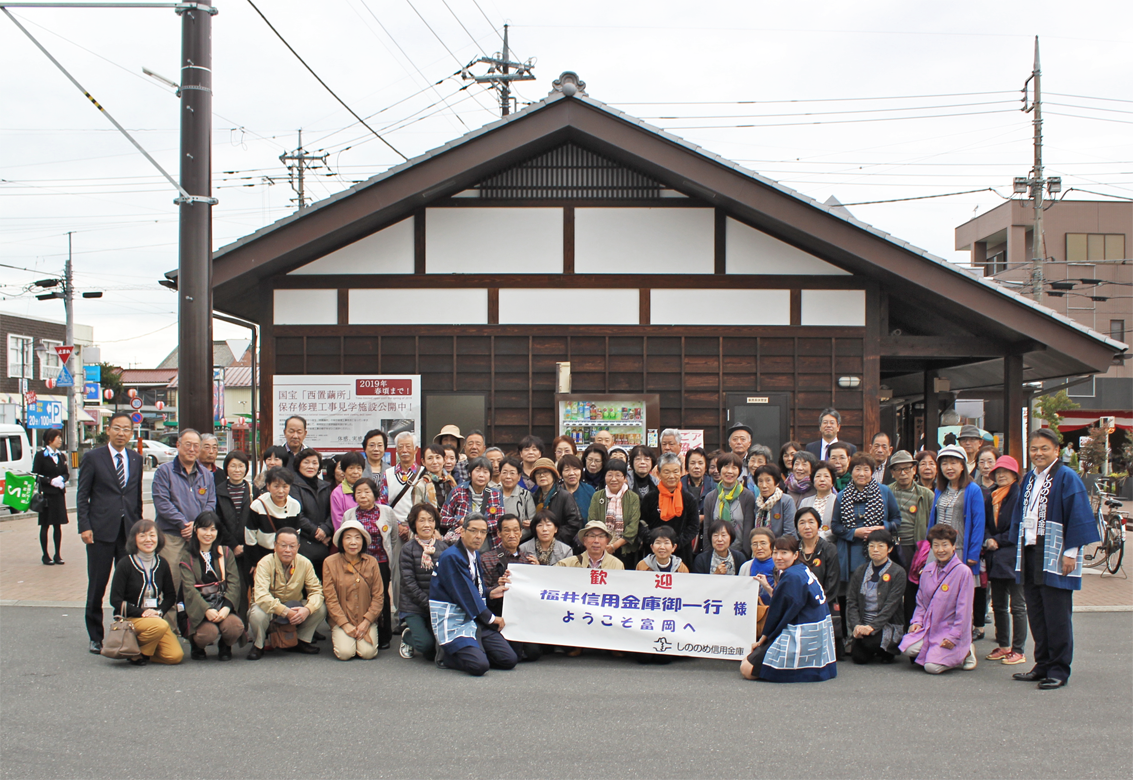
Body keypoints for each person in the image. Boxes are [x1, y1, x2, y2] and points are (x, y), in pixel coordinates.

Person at [1008, 428, 1099, 689]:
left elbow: (1079, 514)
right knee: (1036, 611)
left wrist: (1071, 553)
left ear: (1056, 450)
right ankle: (1042, 664)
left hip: (1056, 552)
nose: (1038, 453)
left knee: (1057, 613)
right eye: (1034, 449)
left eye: (1044, 448)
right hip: (1029, 550)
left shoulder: (1067, 477)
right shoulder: (1028, 479)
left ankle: (1059, 669)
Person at [77, 411, 145, 654]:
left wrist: (139, 529)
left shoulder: (136, 459)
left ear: (131, 432)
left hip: (127, 533)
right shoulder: (93, 458)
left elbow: (135, 497)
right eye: (117, 428)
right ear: (108, 430)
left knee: (128, 584)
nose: (122, 433)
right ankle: (95, 636)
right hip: (100, 532)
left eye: (126, 429)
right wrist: (84, 526)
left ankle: (123, 630)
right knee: (97, 584)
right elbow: (82, 494)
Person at [429, 513, 517, 675]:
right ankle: (446, 656)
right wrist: (491, 619)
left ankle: (475, 649)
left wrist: (490, 593)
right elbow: (465, 595)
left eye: (483, 532)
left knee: (508, 659)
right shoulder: (451, 557)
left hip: (474, 618)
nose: (479, 536)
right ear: (462, 532)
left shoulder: (474, 554)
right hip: (454, 619)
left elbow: (474, 589)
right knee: (479, 666)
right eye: (474, 531)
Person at [740, 536, 837, 682]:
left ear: (795, 554)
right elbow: (787, 601)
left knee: (746, 668)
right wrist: (767, 586)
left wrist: (763, 639)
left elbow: (778, 612)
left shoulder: (791, 576)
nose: (778, 557)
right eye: (775, 552)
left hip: (801, 632)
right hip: (817, 635)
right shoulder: (802, 569)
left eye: (784, 553)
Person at [899, 524, 976, 673]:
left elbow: (964, 611)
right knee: (908, 649)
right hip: (929, 627)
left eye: (945, 545)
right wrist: (917, 621)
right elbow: (921, 602)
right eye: (936, 545)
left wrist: (954, 637)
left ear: (954, 546)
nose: (940, 550)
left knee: (931, 667)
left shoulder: (963, 572)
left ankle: (966, 650)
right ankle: (935, 653)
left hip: (950, 629)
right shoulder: (927, 570)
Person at [108, 519, 184, 666]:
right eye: (142, 536)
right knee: (160, 626)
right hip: (131, 619)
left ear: (159, 538)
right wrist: (142, 613)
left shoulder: (162, 563)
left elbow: (170, 596)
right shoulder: (125, 564)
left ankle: (139, 652)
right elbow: (115, 600)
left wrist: (159, 612)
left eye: (152, 535)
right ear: (134, 539)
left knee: (175, 656)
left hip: (155, 618)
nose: (148, 540)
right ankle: (136, 648)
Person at [152, 428, 216, 600]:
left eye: (196, 445)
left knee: (197, 585)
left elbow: (210, 503)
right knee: (170, 584)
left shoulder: (207, 475)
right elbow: (162, 503)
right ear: (178, 445)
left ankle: (192, 626)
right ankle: (170, 626)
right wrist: (183, 523)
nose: (192, 449)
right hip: (171, 537)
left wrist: (196, 527)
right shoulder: (164, 472)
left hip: (198, 538)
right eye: (188, 444)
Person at [247, 527, 326, 660]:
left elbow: (317, 591)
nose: (287, 550)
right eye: (283, 545)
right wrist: (284, 611)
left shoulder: (305, 563)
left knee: (320, 609)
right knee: (257, 614)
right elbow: (261, 596)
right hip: (270, 608)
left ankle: (301, 640)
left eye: (292, 546)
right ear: (275, 545)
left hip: (294, 605)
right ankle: (259, 645)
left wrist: (307, 609)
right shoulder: (264, 563)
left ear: (298, 547)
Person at [179, 511, 244, 661]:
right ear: (196, 530)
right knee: (208, 633)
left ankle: (225, 645)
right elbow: (189, 589)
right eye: (204, 529)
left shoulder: (226, 552)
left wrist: (227, 607)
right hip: (200, 605)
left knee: (235, 627)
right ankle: (197, 646)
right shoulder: (187, 556)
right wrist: (206, 610)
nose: (208, 534)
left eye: (213, 529)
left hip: (221, 602)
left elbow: (234, 582)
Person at [340, 477, 395, 650]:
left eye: (367, 491)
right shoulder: (349, 514)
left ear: (375, 494)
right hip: (357, 562)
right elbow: (344, 538)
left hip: (380, 562)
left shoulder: (386, 511)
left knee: (381, 597)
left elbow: (392, 539)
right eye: (359, 492)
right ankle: (359, 628)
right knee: (360, 594)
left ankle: (385, 633)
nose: (363, 495)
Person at [983, 455, 1027, 666]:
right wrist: (987, 539)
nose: (1000, 475)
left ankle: (1018, 649)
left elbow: (1020, 528)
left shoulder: (1020, 496)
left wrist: (997, 540)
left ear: (1014, 475)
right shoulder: (991, 495)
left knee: (1017, 605)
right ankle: (1004, 645)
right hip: (995, 557)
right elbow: (983, 522)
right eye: (997, 472)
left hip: (1013, 556)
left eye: (1005, 472)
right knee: (998, 604)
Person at [323, 518, 385, 660]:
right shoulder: (330, 562)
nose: (353, 542)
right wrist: (344, 624)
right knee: (345, 653)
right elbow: (330, 598)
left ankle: (360, 635)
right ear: (341, 541)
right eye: (348, 538)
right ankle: (344, 634)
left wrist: (366, 622)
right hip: (342, 619)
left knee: (368, 653)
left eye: (357, 538)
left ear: (363, 541)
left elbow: (378, 596)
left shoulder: (371, 562)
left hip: (365, 618)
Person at [926, 444, 986, 585]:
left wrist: (973, 553)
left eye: (953, 463)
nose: (949, 468)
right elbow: (932, 520)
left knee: (956, 590)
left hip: (959, 549)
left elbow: (978, 523)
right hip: (937, 548)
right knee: (934, 588)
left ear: (963, 466)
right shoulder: (940, 490)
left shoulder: (973, 490)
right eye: (944, 464)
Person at [886, 450, 934, 624]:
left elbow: (932, 523)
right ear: (892, 472)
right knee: (891, 589)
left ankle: (911, 629)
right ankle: (893, 630)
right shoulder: (885, 492)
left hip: (915, 548)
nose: (903, 473)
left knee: (913, 590)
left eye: (907, 468)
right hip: (890, 547)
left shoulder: (926, 494)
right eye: (898, 469)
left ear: (914, 470)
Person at [846, 529, 907, 665]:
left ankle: (886, 649)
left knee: (869, 643)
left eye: (880, 546)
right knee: (858, 658)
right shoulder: (860, 571)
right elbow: (852, 602)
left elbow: (891, 605)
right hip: (863, 623)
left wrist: (872, 627)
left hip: (886, 624)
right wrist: (857, 625)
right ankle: (875, 647)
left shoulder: (898, 572)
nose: (875, 550)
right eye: (871, 546)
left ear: (889, 548)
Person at [398, 503, 449, 659]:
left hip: (435, 605)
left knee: (434, 651)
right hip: (413, 605)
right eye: (422, 520)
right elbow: (409, 583)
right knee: (425, 645)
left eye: (430, 520)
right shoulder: (407, 549)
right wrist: (428, 603)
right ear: (414, 523)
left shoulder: (444, 548)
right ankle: (407, 636)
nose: (427, 525)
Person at [640, 452, 699, 561]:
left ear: (681, 472)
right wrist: (655, 542)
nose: (672, 476)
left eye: (675, 471)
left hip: (681, 552)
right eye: (667, 472)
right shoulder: (650, 498)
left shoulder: (689, 499)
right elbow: (641, 523)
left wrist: (675, 544)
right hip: (654, 552)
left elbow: (693, 527)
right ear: (658, 473)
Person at [214, 450, 251, 619]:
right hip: (225, 547)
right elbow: (217, 521)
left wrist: (246, 546)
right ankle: (225, 620)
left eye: (241, 466)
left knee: (245, 586)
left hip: (248, 548)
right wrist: (234, 545)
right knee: (226, 584)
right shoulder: (217, 491)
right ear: (226, 468)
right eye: (233, 466)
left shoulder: (252, 490)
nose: (237, 470)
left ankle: (243, 623)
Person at [587, 458, 640, 566]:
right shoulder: (597, 496)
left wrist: (614, 546)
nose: (613, 479)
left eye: (618, 475)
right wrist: (602, 544)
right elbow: (592, 521)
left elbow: (633, 526)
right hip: (599, 547)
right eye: (610, 475)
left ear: (625, 478)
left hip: (625, 550)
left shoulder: (633, 497)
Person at [441, 456, 506, 545]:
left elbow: (499, 522)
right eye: (477, 471)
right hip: (461, 544)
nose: (481, 475)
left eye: (485, 472)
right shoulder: (458, 491)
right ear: (470, 473)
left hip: (488, 544)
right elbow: (442, 518)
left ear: (490, 476)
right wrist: (459, 521)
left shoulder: (496, 494)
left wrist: (473, 526)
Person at [702, 452, 754, 553]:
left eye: (734, 467)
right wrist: (708, 554)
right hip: (715, 553)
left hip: (740, 553)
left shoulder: (747, 496)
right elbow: (707, 529)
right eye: (726, 467)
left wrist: (745, 554)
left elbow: (748, 530)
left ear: (739, 471)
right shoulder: (710, 497)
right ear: (719, 469)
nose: (730, 471)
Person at [795, 507, 840, 621]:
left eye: (811, 522)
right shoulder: (793, 549)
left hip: (822, 608)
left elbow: (832, 585)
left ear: (818, 525)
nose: (807, 527)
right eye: (802, 523)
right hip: (796, 607)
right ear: (796, 527)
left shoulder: (829, 549)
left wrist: (814, 603)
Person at [32, 428, 69, 565]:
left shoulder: (61, 456)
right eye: (57, 437)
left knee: (57, 525)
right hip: (47, 495)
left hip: (58, 495)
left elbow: (66, 473)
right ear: (49, 439)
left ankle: (57, 554)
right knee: (45, 525)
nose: (60, 440)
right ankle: (45, 555)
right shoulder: (41, 455)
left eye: (60, 437)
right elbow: (35, 475)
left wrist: (62, 479)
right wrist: (49, 481)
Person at [530, 458, 583, 550]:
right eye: (538, 473)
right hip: (536, 545)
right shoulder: (533, 497)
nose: (542, 475)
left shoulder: (564, 496)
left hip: (560, 545)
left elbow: (574, 523)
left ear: (553, 476)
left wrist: (553, 538)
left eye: (545, 472)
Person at [555, 518, 626, 570]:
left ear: (607, 541)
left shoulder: (617, 565)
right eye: (592, 536)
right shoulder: (567, 565)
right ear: (584, 540)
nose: (596, 541)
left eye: (601, 536)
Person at [751, 464, 797, 540]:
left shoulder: (786, 501)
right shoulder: (757, 502)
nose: (764, 485)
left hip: (780, 547)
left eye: (768, 480)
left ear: (776, 483)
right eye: (760, 481)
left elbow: (790, 533)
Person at [798, 461, 838, 541]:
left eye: (826, 476)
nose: (822, 479)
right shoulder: (805, 502)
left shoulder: (838, 501)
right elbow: (798, 523)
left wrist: (821, 535)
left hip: (830, 545)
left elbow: (839, 527)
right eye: (818, 476)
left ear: (832, 481)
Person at [738, 527, 777, 605]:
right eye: (755, 544)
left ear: (772, 545)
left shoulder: (779, 566)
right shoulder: (746, 567)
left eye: (763, 543)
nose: (759, 548)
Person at [498, 457, 536, 531]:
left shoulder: (525, 495)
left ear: (519, 476)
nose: (508, 477)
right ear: (499, 474)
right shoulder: (492, 493)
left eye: (512, 473)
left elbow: (533, 521)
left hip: (521, 539)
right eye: (504, 472)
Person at [414, 444, 456, 509]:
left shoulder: (450, 481)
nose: (435, 462)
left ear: (444, 460)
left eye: (438, 457)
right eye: (430, 458)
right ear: (423, 462)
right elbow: (416, 512)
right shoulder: (420, 485)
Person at [330, 451, 365, 529]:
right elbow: (338, 521)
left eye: (359, 468)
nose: (355, 472)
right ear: (344, 471)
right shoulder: (337, 493)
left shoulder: (370, 489)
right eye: (351, 468)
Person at [681, 447, 716, 522]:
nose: (696, 466)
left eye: (700, 463)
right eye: (692, 463)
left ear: (706, 467)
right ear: (687, 467)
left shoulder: (713, 485)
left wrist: (703, 518)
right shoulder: (679, 485)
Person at [558, 454, 596, 519]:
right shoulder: (557, 492)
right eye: (567, 470)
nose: (572, 473)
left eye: (575, 469)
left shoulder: (589, 490)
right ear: (561, 474)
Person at [360, 428, 390, 502]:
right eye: (372, 445)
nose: (376, 449)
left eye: (379, 445)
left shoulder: (390, 470)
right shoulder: (359, 469)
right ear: (365, 448)